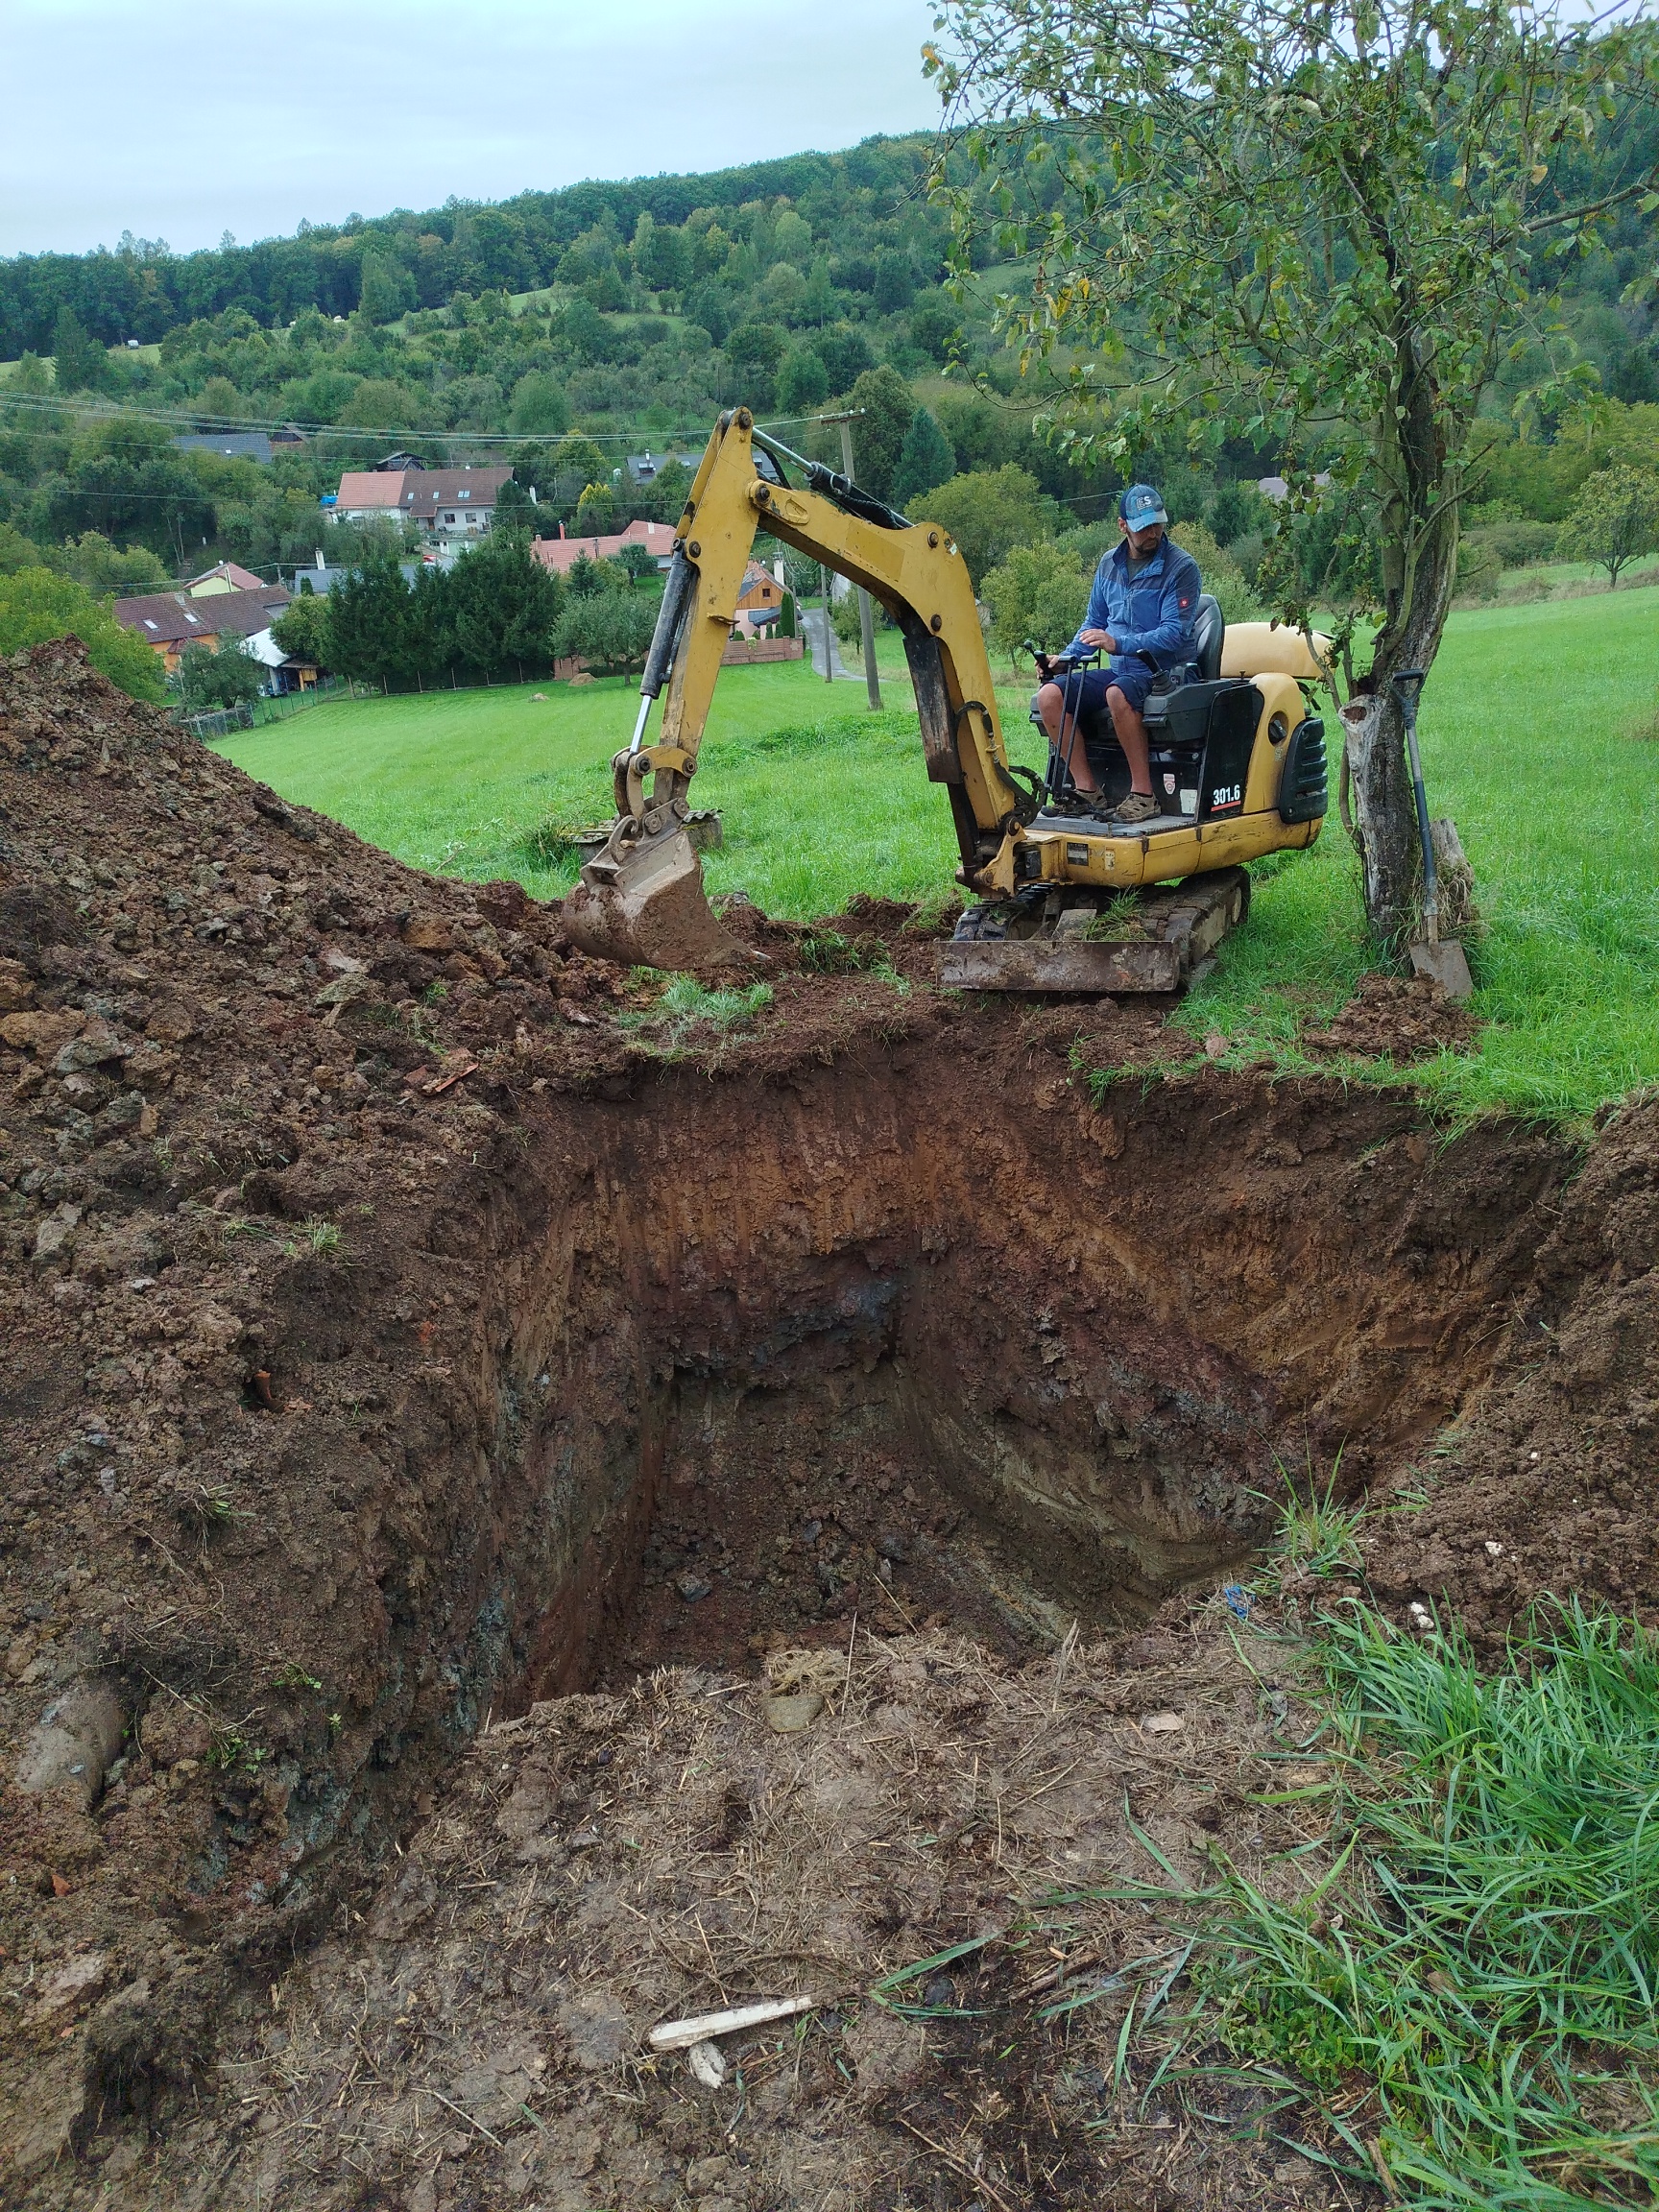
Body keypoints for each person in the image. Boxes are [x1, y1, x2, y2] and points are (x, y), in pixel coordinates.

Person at [1035, 484, 1202, 823]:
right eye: (1143, 526)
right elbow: (1094, 622)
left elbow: (1175, 633)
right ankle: (1087, 791)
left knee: (1117, 691)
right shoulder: (1108, 565)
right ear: (1123, 525)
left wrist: (1119, 644)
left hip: (1167, 674)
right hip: (1124, 671)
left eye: (1157, 523)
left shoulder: (1181, 568)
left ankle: (1144, 795)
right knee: (1049, 696)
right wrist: (1063, 661)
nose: (1153, 532)